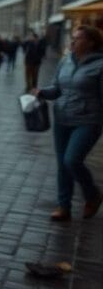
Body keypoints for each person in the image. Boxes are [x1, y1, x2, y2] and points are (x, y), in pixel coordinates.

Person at [34, 25, 103, 222]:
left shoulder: (100, 65)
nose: (73, 41)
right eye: (72, 37)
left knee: (71, 160)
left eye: (78, 38)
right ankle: (64, 207)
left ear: (91, 43)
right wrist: (42, 92)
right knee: (62, 165)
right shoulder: (66, 61)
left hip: (88, 121)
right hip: (62, 119)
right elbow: (57, 88)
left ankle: (93, 195)